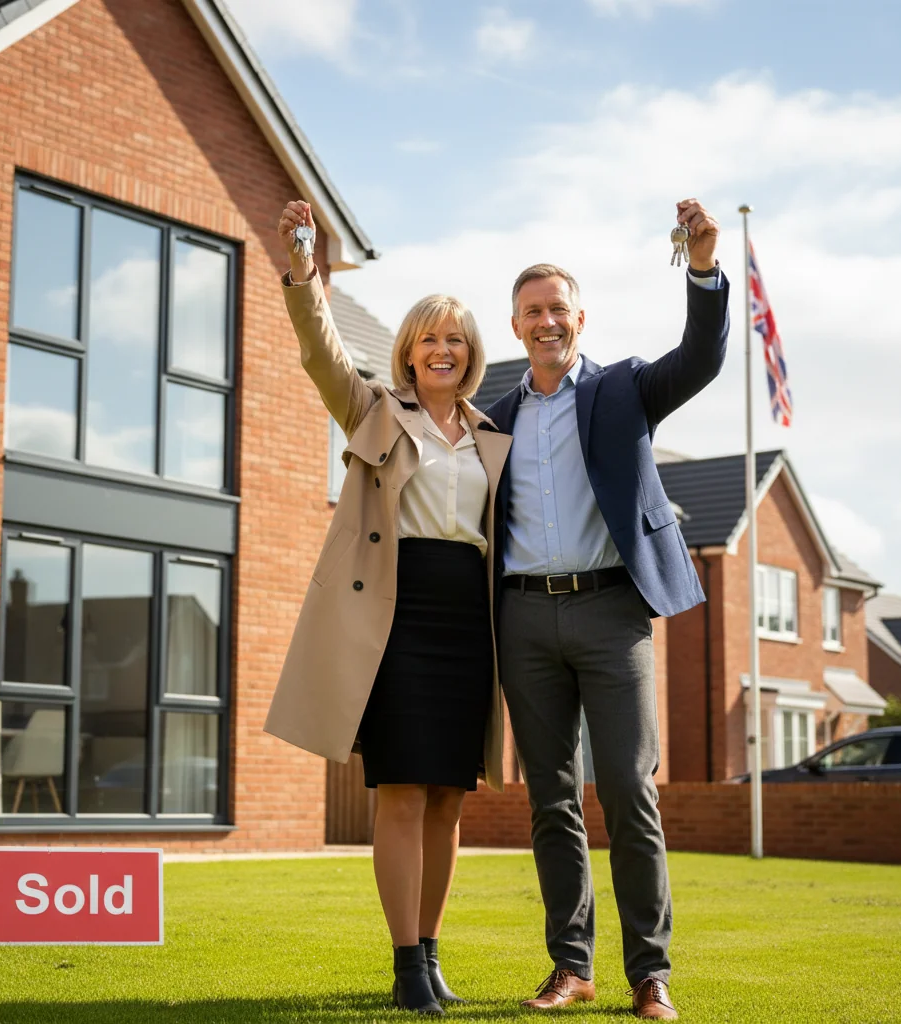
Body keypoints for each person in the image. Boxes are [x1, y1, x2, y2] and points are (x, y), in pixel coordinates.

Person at [264, 200, 512, 1015]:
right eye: (429, 338)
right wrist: (305, 270)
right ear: (407, 351)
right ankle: (406, 965)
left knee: (448, 798)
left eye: (456, 340)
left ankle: (432, 952)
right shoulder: (375, 409)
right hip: (395, 622)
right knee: (402, 790)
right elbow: (320, 354)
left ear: (471, 356)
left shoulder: (490, 436)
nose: (442, 350)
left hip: (469, 624)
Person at [485, 199, 729, 1020]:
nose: (547, 321)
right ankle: (571, 966)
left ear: (579, 317)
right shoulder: (497, 413)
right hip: (523, 619)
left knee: (627, 789)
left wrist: (702, 266)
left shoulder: (624, 388)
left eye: (558, 308)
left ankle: (649, 974)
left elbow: (699, 358)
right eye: (532, 312)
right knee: (550, 797)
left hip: (611, 614)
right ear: (515, 326)